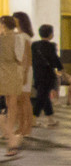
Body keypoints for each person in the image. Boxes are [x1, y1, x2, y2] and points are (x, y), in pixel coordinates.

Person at [0, 13, 28, 149]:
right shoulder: (17, 38)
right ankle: (9, 131)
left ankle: (7, 132)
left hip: (2, 72)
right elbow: (18, 57)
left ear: (4, 25)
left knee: (7, 101)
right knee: (12, 103)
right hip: (13, 71)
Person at [31, 24, 60, 128]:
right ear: (51, 34)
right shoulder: (51, 46)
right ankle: (33, 118)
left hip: (37, 74)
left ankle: (50, 119)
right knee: (41, 97)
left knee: (44, 96)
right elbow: (55, 60)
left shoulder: (34, 45)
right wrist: (61, 69)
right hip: (48, 75)